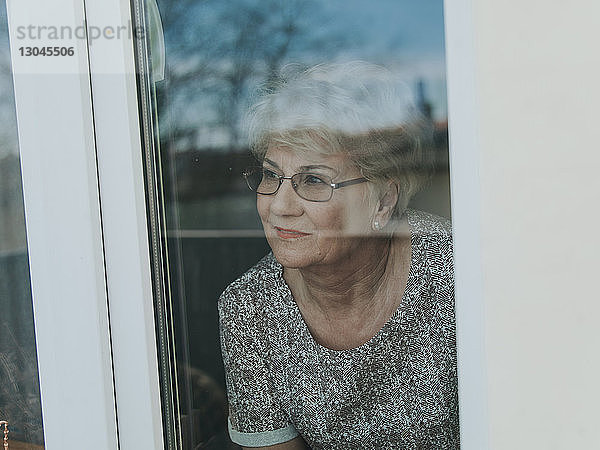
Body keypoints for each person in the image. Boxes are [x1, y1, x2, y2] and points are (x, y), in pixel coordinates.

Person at [218, 62, 459, 449]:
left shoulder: (456, 272)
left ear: (383, 202)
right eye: (269, 175)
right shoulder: (250, 309)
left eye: (312, 180)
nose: (279, 206)